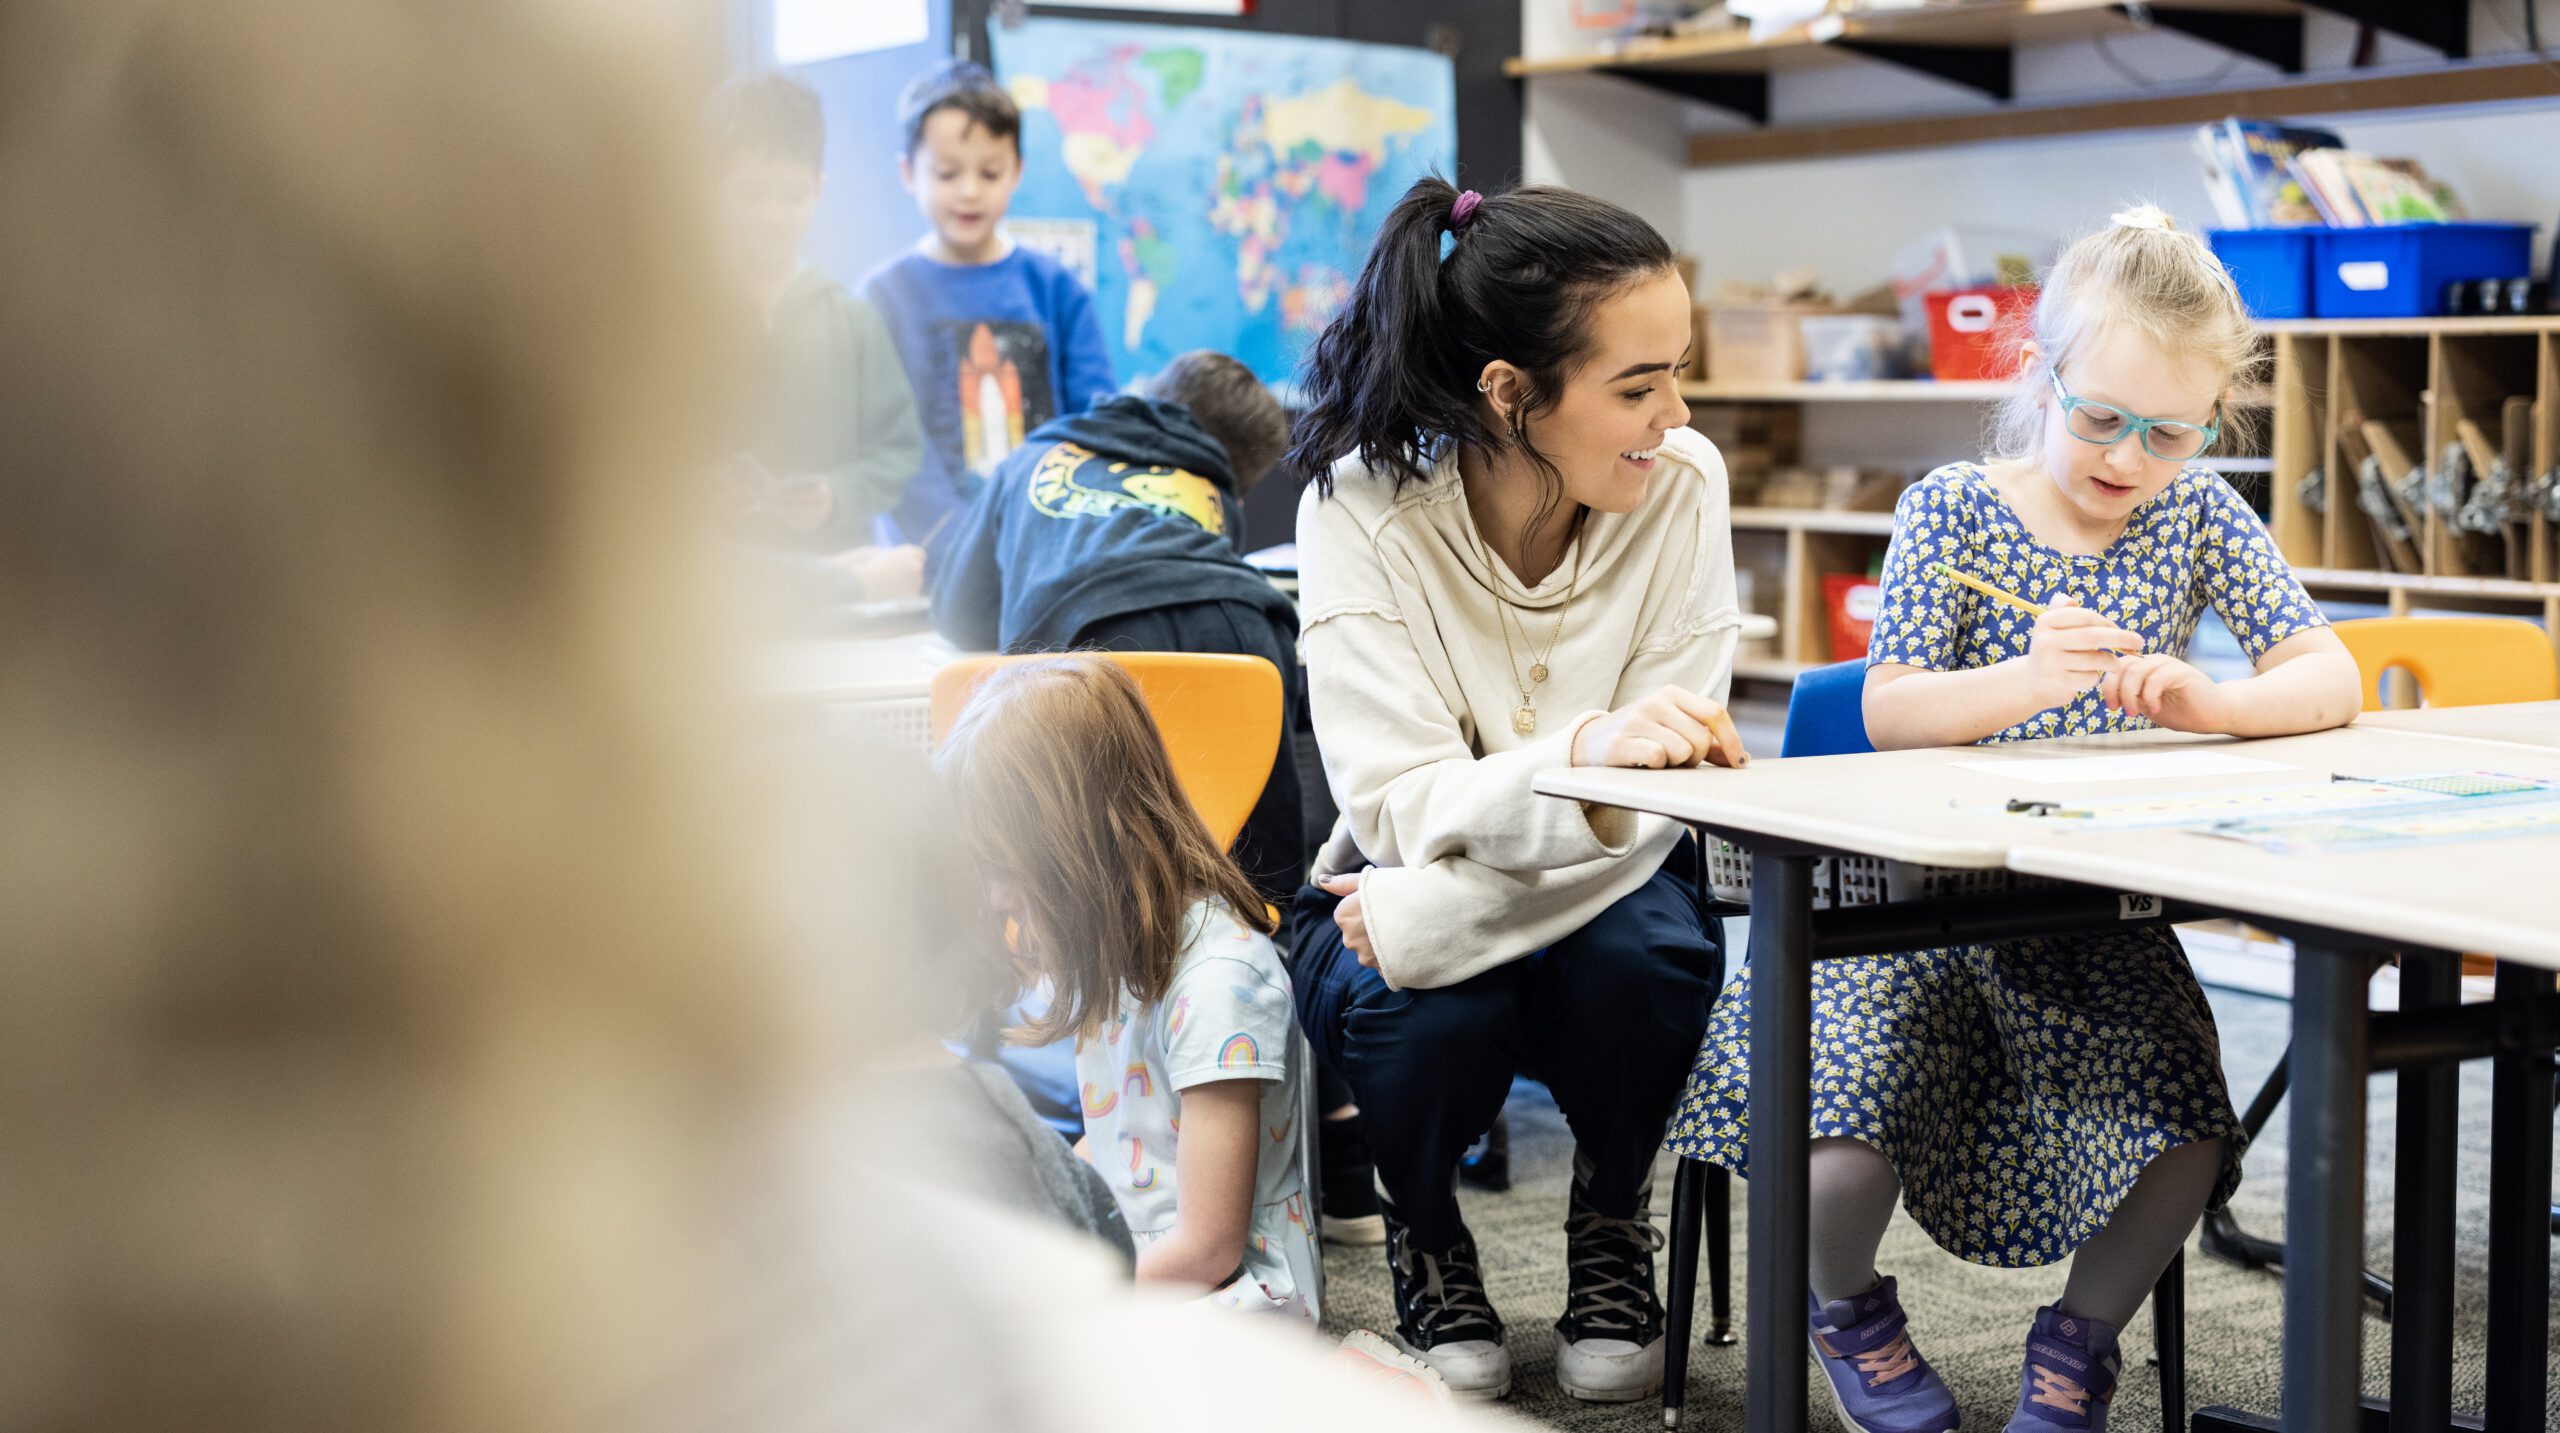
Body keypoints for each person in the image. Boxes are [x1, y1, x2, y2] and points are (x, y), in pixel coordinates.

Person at [1669, 206, 2362, 1433]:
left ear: (2209, 426)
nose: (2126, 458)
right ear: (2038, 375)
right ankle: (1846, 1309)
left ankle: (2074, 1345)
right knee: (1836, 1141)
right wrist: (2024, 685)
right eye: (2099, 417)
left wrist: (2212, 700)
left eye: (2169, 432)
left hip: (2086, 916)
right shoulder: (1954, 507)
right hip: (1899, 918)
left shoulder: (2196, 514)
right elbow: (1885, 708)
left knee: (2184, 1136)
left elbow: (2329, 675)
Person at [1285, 177, 1750, 1403]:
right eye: (1638, 384)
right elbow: (1394, 807)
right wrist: (1598, 753)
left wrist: (1438, 911)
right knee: (1415, 1008)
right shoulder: (1358, 509)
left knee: (1631, 962)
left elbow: (1670, 780)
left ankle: (1610, 1212)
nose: (1676, 412)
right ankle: (1424, 1228)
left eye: (1677, 371)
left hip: (1522, 887)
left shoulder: (1683, 485)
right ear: (1509, 392)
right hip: (1400, 865)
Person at [938, 657, 1321, 1321]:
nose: (997, 894)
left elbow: (1208, 1247)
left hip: (1237, 1302)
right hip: (1149, 1266)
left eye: (1004, 865)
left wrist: (1073, 1291)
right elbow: (1121, 1146)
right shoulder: (1118, 958)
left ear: (1074, 846)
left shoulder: (1221, 986)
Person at [929, 349, 1302, 907]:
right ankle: (1270, 954)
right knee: (1253, 874)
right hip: (1241, 634)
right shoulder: (1208, 487)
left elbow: (961, 611)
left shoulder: (1033, 455)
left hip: (1081, 661)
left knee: (1082, 863)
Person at [861, 60, 1115, 544]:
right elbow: (893, 444)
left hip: (1049, 549)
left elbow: (1097, 422)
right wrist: (960, 542)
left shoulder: (1056, 287)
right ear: (907, 173)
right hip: (932, 560)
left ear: (1016, 171)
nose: (969, 191)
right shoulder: (885, 296)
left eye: (990, 172)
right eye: (948, 173)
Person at [707, 71, 924, 580]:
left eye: (792, 195)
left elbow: (897, 451)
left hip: (841, 571)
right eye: (752, 194)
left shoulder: (851, 318)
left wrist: (837, 494)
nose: (773, 215)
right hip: (716, 587)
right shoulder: (679, 320)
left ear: (819, 191)